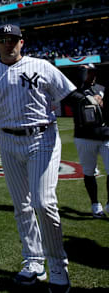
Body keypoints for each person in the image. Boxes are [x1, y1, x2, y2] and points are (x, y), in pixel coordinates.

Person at [0, 24, 84, 293]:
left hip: (42, 138)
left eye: (13, 39)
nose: (8, 43)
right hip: (8, 140)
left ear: (22, 42)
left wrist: (91, 100)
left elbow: (70, 95)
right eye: (2, 40)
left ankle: (57, 264)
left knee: (44, 202)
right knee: (22, 206)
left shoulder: (42, 66)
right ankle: (33, 261)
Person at [71, 64, 109, 218]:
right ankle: (95, 204)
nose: (92, 76)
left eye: (94, 72)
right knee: (89, 172)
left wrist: (103, 104)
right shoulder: (74, 89)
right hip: (84, 137)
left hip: (106, 134)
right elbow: (71, 97)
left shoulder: (102, 88)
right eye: (89, 72)